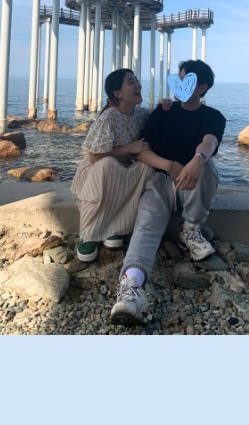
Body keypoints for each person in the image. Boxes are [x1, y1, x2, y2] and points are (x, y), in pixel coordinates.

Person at [111, 59, 226, 326]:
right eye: (179, 77)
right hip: (161, 181)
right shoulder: (163, 111)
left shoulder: (213, 116)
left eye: (188, 80)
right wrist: (169, 166)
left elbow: (210, 141)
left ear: (202, 87)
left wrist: (197, 160)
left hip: (192, 185)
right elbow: (143, 149)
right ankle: (131, 288)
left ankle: (190, 228)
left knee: (208, 166)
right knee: (147, 224)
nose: (180, 84)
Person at [70, 69, 154, 263]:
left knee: (146, 168)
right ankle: (89, 233)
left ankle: (114, 228)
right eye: (131, 82)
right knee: (107, 164)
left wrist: (166, 104)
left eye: (137, 80)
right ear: (117, 93)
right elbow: (94, 158)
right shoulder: (109, 117)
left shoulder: (140, 114)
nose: (138, 85)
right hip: (99, 170)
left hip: (123, 169)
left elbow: (161, 118)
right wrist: (130, 148)